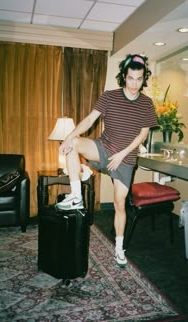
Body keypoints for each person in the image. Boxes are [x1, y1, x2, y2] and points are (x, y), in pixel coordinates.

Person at [56, 54, 158, 267]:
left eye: (139, 79)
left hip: (126, 159)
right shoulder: (110, 96)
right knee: (73, 144)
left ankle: (119, 248)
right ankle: (76, 195)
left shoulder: (147, 103)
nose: (134, 84)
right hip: (104, 148)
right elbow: (90, 119)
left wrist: (122, 154)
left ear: (143, 78)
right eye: (130, 78)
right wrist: (68, 136)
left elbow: (142, 135)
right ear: (124, 76)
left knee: (119, 204)